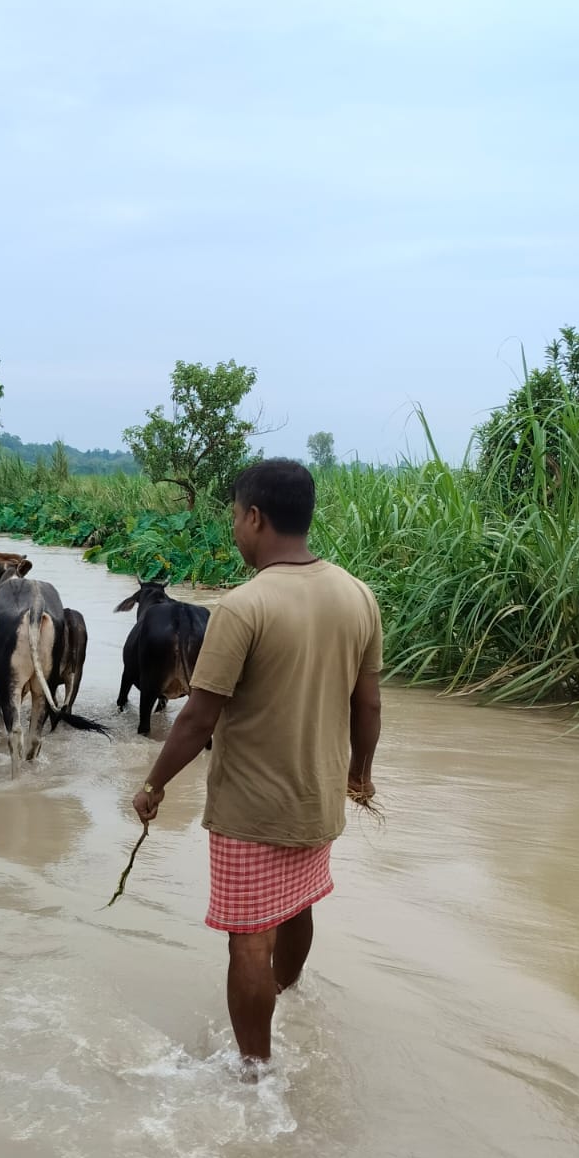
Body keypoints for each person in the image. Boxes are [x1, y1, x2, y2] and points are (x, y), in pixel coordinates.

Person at [131, 458, 382, 1072]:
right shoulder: (358, 595)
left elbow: (196, 718)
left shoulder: (244, 606)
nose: (235, 531)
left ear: (254, 516)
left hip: (251, 809)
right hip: (317, 798)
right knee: (297, 905)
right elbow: (368, 701)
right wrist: (360, 775)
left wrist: (153, 783)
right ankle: (286, 1002)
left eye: (235, 518)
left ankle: (253, 1074)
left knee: (249, 938)